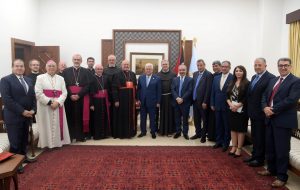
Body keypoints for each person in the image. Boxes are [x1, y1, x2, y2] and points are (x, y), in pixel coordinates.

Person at [258, 58, 300, 188]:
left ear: (290, 67)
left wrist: (273, 110)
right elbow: (264, 95)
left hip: (283, 120)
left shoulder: (296, 81)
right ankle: (271, 169)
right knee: (270, 147)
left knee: (281, 150)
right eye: (280, 65)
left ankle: (282, 176)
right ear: (277, 67)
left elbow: (291, 100)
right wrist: (265, 107)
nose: (283, 67)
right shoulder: (273, 80)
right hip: (269, 119)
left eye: (286, 65)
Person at [0, 59, 36, 173]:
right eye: (17, 66)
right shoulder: (5, 80)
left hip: (27, 116)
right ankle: (16, 164)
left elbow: (32, 97)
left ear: (24, 68)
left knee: (24, 139)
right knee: (15, 141)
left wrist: (33, 110)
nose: (19, 68)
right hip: (13, 116)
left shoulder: (28, 80)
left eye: (21, 66)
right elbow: (7, 100)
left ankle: (23, 157)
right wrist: (22, 111)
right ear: (12, 67)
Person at [245, 58, 275, 167]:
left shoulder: (270, 78)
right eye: (255, 65)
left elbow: (266, 96)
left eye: (259, 65)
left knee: (260, 137)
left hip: (261, 114)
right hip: (252, 113)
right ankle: (254, 155)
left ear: (265, 65)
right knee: (255, 136)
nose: (257, 67)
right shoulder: (254, 77)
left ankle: (259, 159)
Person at [35, 60, 70, 149]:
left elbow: (64, 93)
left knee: (58, 124)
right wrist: (50, 102)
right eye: (49, 66)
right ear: (46, 67)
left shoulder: (61, 78)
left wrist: (57, 102)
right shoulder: (40, 77)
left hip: (58, 105)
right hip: (45, 106)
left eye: (53, 66)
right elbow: (38, 93)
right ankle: (47, 144)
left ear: (56, 67)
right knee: (46, 124)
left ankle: (58, 143)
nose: (51, 68)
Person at [62, 54, 91, 142]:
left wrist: (79, 95)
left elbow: (88, 85)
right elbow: (64, 85)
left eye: (78, 59)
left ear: (81, 61)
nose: (76, 61)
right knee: (69, 116)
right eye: (75, 59)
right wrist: (70, 94)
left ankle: (80, 136)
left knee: (80, 116)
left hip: (81, 97)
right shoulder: (66, 71)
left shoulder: (86, 71)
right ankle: (70, 136)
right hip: (69, 97)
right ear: (72, 60)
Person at [226, 65, 250, 157]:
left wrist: (238, 105)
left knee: (240, 130)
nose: (238, 72)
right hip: (231, 109)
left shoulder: (247, 83)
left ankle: (239, 149)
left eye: (240, 71)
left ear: (244, 72)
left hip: (242, 111)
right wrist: (231, 104)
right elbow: (227, 95)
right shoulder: (232, 82)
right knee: (233, 129)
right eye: (236, 71)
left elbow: (247, 97)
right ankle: (234, 147)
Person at [210, 61, 233, 152]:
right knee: (218, 124)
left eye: (226, 67)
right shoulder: (216, 78)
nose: (224, 68)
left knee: (226, 126)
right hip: (217, 105)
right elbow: (213, 92)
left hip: (227, 106)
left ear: (229, 67)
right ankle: (218, 141)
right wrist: (212, 103)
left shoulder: (233, 78)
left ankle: (225, 143)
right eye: (223, 66)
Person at [112, 59, 137, 138]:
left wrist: (136, 98)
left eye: (127, 64)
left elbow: (135, 87)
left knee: (130, 116)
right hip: (121, 99)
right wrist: (116, 100)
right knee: (122, 116)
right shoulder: (117, 74)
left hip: (131, 99)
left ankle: (130, 133)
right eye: (124, 65)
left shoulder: (132, 74)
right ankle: (122, 133)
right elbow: (114, 88)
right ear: (121, 65)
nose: (126, 66)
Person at [190, 59, 213, 143]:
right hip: (195, 100)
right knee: (196, 119)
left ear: (204, 65)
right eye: (198, 65)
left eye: (201, 65)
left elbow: (208, 89)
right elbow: (194, 86)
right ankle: (198, 133)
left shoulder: (208, 75)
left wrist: (205, 101)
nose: (199, 67)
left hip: (203, 102)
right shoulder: (195, 74)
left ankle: (203, 136)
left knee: (204, 119)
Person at [137, 63, 161, 139]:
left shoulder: (157, 78)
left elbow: (159, 91)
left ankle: (153, 132)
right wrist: (138, 99)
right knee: (142, 118)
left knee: (152, 118)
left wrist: (158, 102)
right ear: (145, 69)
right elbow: (139, 89)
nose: (148, 70)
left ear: (152, 70)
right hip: (142, 102)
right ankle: (143, 132)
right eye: (147, 69)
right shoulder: (141, 77)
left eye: (150, 69)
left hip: (153, 102)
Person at [171, 64, 193, 140]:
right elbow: (173, 90)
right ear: (178, 71)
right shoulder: (174, 79)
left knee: (185, 119)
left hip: (185, 102)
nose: (182, 71)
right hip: (176, 102)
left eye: (183, 70)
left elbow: (190, 90)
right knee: (177, 118)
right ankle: (178, 132)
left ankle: (185, 133)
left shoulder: (190, 79)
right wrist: (177, 98)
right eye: (180, 70)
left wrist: (182, 99)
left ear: (186, 71)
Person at [90, 64, 111, 139]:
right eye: (98, 69)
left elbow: (109, 90)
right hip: (96, 101)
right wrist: (91, 104)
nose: (99, 70)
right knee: (96, 118)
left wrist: (109, 101)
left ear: (102, 70)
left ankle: (105, 134)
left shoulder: (106, 77)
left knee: (104, 116)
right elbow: (90, 92)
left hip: (104, 100)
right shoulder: (92, 78)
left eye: (101, 69)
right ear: (95, 70)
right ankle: (97, 135)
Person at [157, 60, 177, 136]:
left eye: (166, 64)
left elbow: (175, 87)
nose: (165, 65)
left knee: (170, 114)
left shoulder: (174, 74)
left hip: (171, 97)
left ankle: (170, 130)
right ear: (161, 65)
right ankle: (162, 130)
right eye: (163, 64)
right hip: (161, 97)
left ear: (168, 65)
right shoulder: (157, 75)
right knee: (162, 114)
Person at [103, 54, 121, 136]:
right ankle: (107, 131)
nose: (111, 61)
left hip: (116, 95)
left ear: (115, 60)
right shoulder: (104, 70)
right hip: (106, 95)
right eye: (110, 60)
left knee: (115, 114)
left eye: (113, 60)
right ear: (108, 60)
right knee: (107, 113)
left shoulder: (119, 70)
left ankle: (115, 132)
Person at [207, 60, 222, 141]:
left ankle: (218, 137)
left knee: (218, 121)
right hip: (211, 101)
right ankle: (211, 136)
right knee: (211, 120)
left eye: (216, 66)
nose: (214, 67)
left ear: (220, 66)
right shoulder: (212, 75)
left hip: (219, 103)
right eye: (213, 66)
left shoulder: (222, 76)